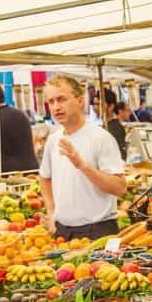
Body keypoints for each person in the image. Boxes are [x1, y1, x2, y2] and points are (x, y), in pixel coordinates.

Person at [39, 74, 126, 240]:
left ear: (80, 102)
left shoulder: (101, 138)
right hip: (63, 231)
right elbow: (44, 178)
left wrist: (82, 166)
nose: (56, 106)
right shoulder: (53, 140)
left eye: (61, 99)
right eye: (51, 101)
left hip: (98, 231)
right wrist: (51, 210)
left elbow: (120, 188)